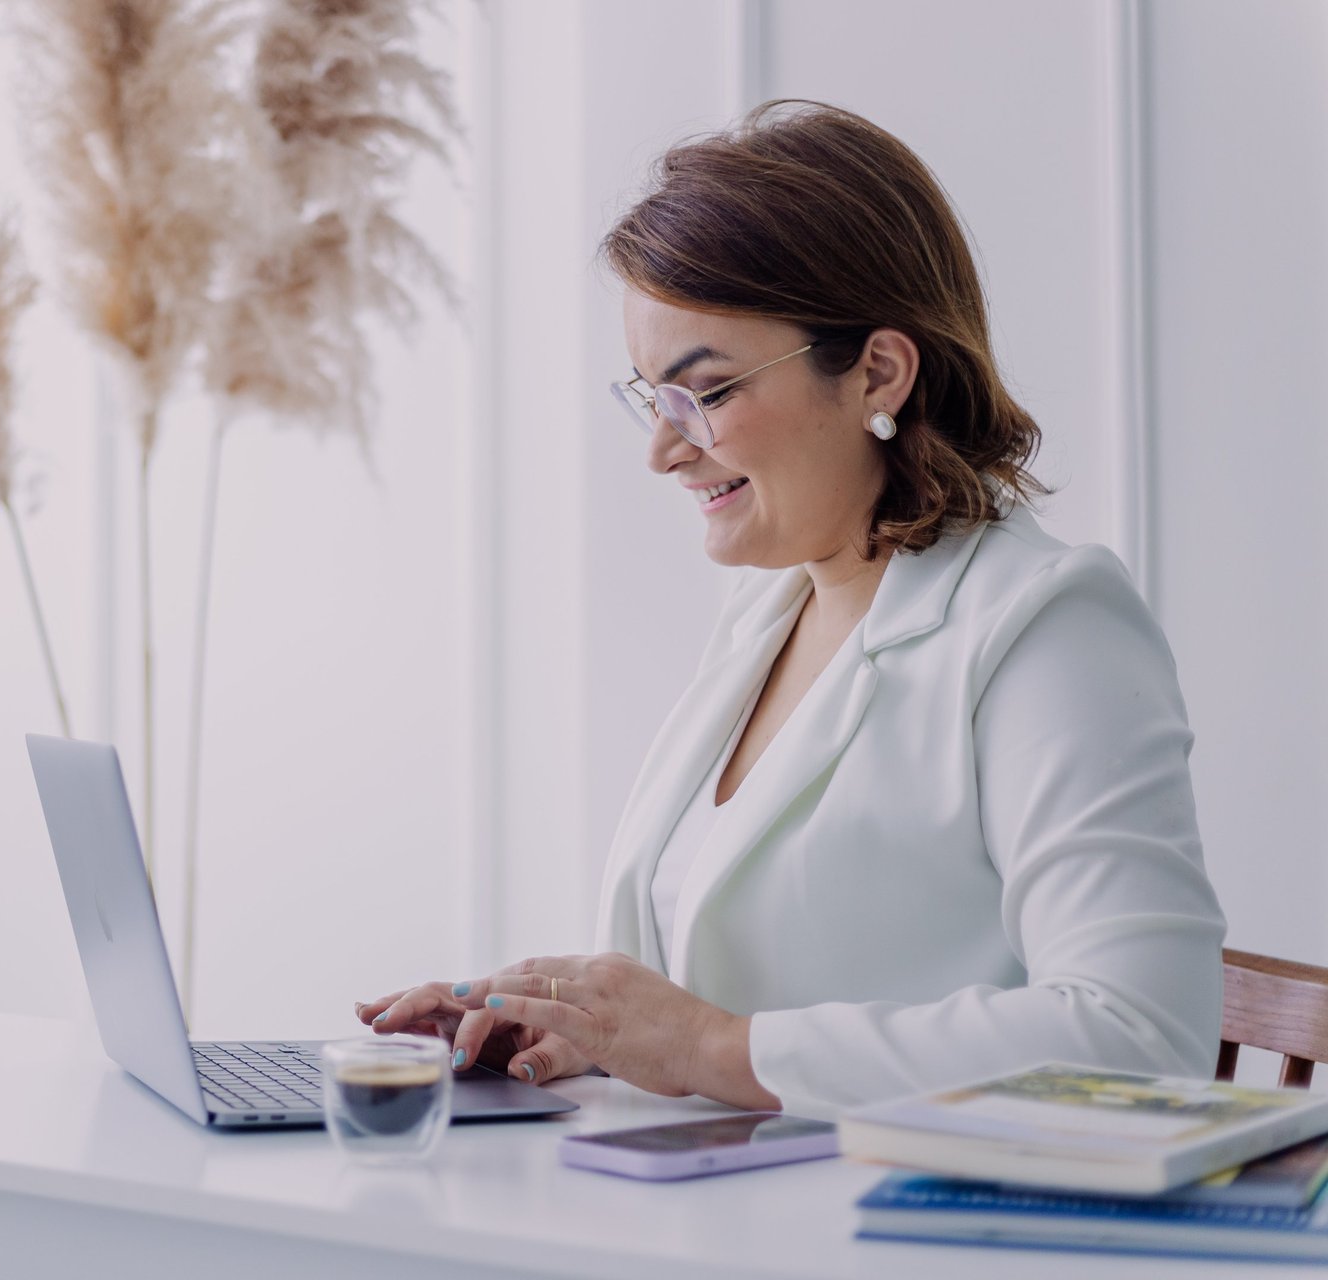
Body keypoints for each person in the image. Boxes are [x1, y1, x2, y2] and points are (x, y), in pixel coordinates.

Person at [357, 100, 1227, 1121]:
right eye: (651, 397)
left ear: (878, 371)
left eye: (707, 392)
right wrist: (576, 1026)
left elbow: (1139, 1035)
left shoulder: (1048, 625)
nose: (664, 448)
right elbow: (740, 994)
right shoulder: (771, 613)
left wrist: (710, 1045)